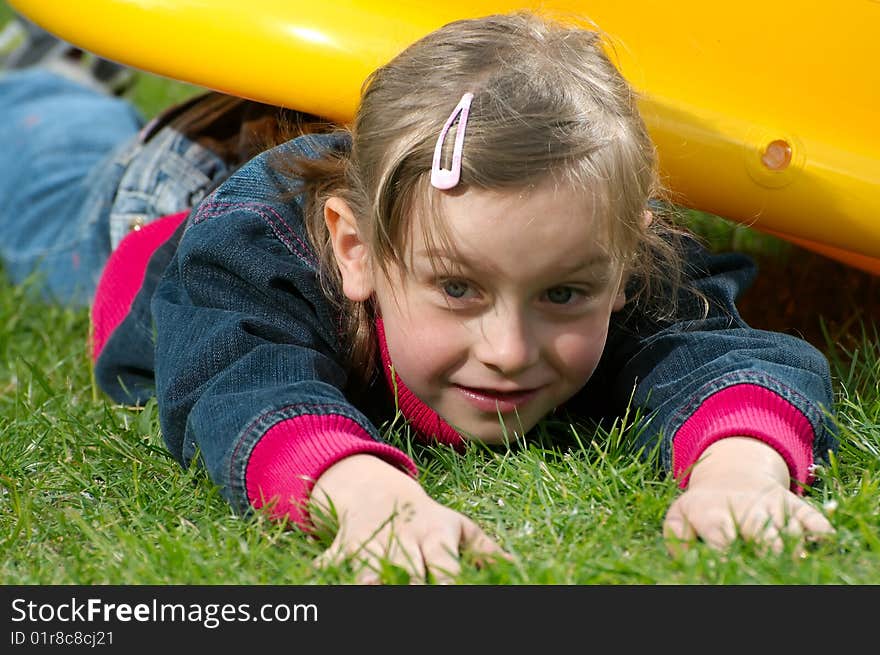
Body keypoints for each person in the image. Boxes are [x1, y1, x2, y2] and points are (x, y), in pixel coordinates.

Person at [0, 11, 838, 584]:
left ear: (624, 259)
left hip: (374, 168)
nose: (510, 348)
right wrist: (370, 495)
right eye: (457, 288)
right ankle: (44, 82)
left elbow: (722, 354)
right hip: (185, 195)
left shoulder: (581, 233)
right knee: (49, 185)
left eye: (564, 294)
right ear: (357, 252)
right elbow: (239, 376)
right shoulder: (253, 259)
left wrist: (740, 475)